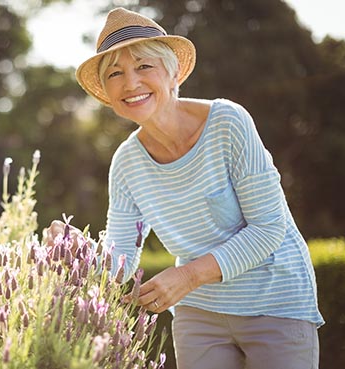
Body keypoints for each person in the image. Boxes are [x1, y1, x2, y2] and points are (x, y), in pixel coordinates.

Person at [44, 7, 323, 369]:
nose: (130, 83)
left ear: (173, 71)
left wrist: (187, 275)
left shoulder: (228, 123)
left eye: (144, 66)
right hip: (199, 314)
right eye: (115, 73)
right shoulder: (127, 163)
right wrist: (75, 252)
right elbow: (120, 260)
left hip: (275, 302)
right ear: (107, 92)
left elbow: (269, 228)